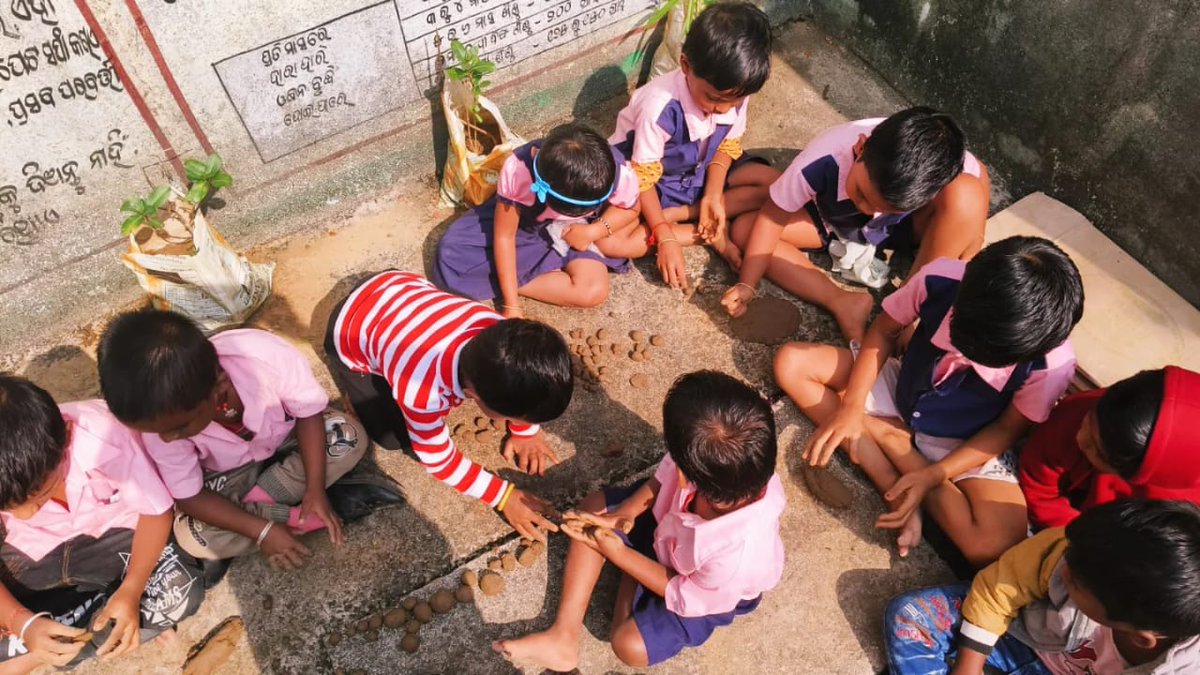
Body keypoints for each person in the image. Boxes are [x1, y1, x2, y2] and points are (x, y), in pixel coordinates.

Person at [778, 236, 1083, 566]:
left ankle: (888, 438)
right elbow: (883, 332)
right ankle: (894, 487)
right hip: (901, 390)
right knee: (793, 363)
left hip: (962, 441)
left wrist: (937, 474)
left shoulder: (1052, 366)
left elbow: (1007, 428)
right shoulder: (941, 278)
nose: (965, 350)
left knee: (993, 543)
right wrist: (851, 407)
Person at [493, 370, 785, 669]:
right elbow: (666, 474)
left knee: (628, 645)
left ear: (687, 476)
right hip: (671, 527)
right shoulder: (742, 463)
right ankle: (563, 635)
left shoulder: (738, 559)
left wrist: (620, 555)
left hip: (702, 589)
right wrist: (627, 512)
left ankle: (633, 564)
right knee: (595, 509)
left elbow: (687, 594)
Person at [97, 309, 369, 570]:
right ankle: (294, 516)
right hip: (231, 475)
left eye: (180, 427)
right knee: (194, 537)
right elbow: (189, 496)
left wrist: (315, 488)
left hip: (289, 437)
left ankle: (275, 506)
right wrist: (262, 532)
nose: (168, 438)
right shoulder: (160, 428)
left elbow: (309, 415)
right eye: (158, 432)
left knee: (349, 436)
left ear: (219, 388)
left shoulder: (265, 356)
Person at [324, 270, 572, 541]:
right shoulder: (422, 390)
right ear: (471, 394)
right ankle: (357, 388)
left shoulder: (504, 334)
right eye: (517, 418)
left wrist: (526, 432)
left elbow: (528, 378)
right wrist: (503, 495)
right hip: (348, 330)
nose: (525, 423)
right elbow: (437, 459)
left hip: (397, 286)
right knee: (394, 438)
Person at [721, 107, 990, 344]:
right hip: (834, 221)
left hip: (903, 229)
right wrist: (748, 283)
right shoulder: (825, 155)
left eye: (885, 206)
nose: (869, 210)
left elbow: (980, 173)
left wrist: (973, 238)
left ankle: (908, 306)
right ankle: (841, 302)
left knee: (967, 197)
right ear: (861, 148)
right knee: (747, 230)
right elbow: (772, 217)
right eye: (861, 194)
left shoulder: (946, 167)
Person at [0, 375, 203, 671]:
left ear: (67, 436)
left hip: (114, 543)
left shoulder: (106, 435)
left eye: (38, 495)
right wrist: (22, 621)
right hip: (33, 553)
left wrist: (132, 590)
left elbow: (156, 512)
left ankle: (47, 646)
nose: (25, 515)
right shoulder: (21, 509)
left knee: (181, 589)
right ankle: (95, 628)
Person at [883, 499, 1200, 675]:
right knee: (911, 616)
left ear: (1141, 637)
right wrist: (969, 662)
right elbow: (1001, 587)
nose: (1063, 566)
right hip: (1021, 637)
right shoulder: (1082, 547)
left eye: (1074, 583)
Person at [610, 1, 780, 289]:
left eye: (734, 102)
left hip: (702, 171)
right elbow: (642, 179)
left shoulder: (736, 88)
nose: (724, 109)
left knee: (775, 186)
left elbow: (726, 148)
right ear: (685, 65)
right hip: (652, 182)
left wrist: (713, 195)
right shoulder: (659, 108)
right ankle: (702, 229)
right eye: (714, 99)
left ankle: (691, 213)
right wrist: (663, 236)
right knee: (611, 242)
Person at [434, 122, 641, 315]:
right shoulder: (518, 170)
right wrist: (511, 304)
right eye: (568, 210)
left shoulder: (614, 172)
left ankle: (521, 270)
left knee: (593, 291)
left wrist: (593, 231)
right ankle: (522, 275)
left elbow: (631, 208)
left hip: (575, 235)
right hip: (527, 227)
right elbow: (504, 236)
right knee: (452, 255)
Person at [1020, 366, 1200, 530]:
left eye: (1097, 451)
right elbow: (1039, 482)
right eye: (1090, 418)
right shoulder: (1077, 413)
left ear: (1131, 476)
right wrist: (1070, 534)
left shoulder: (1179, 510)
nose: (1080, 437)